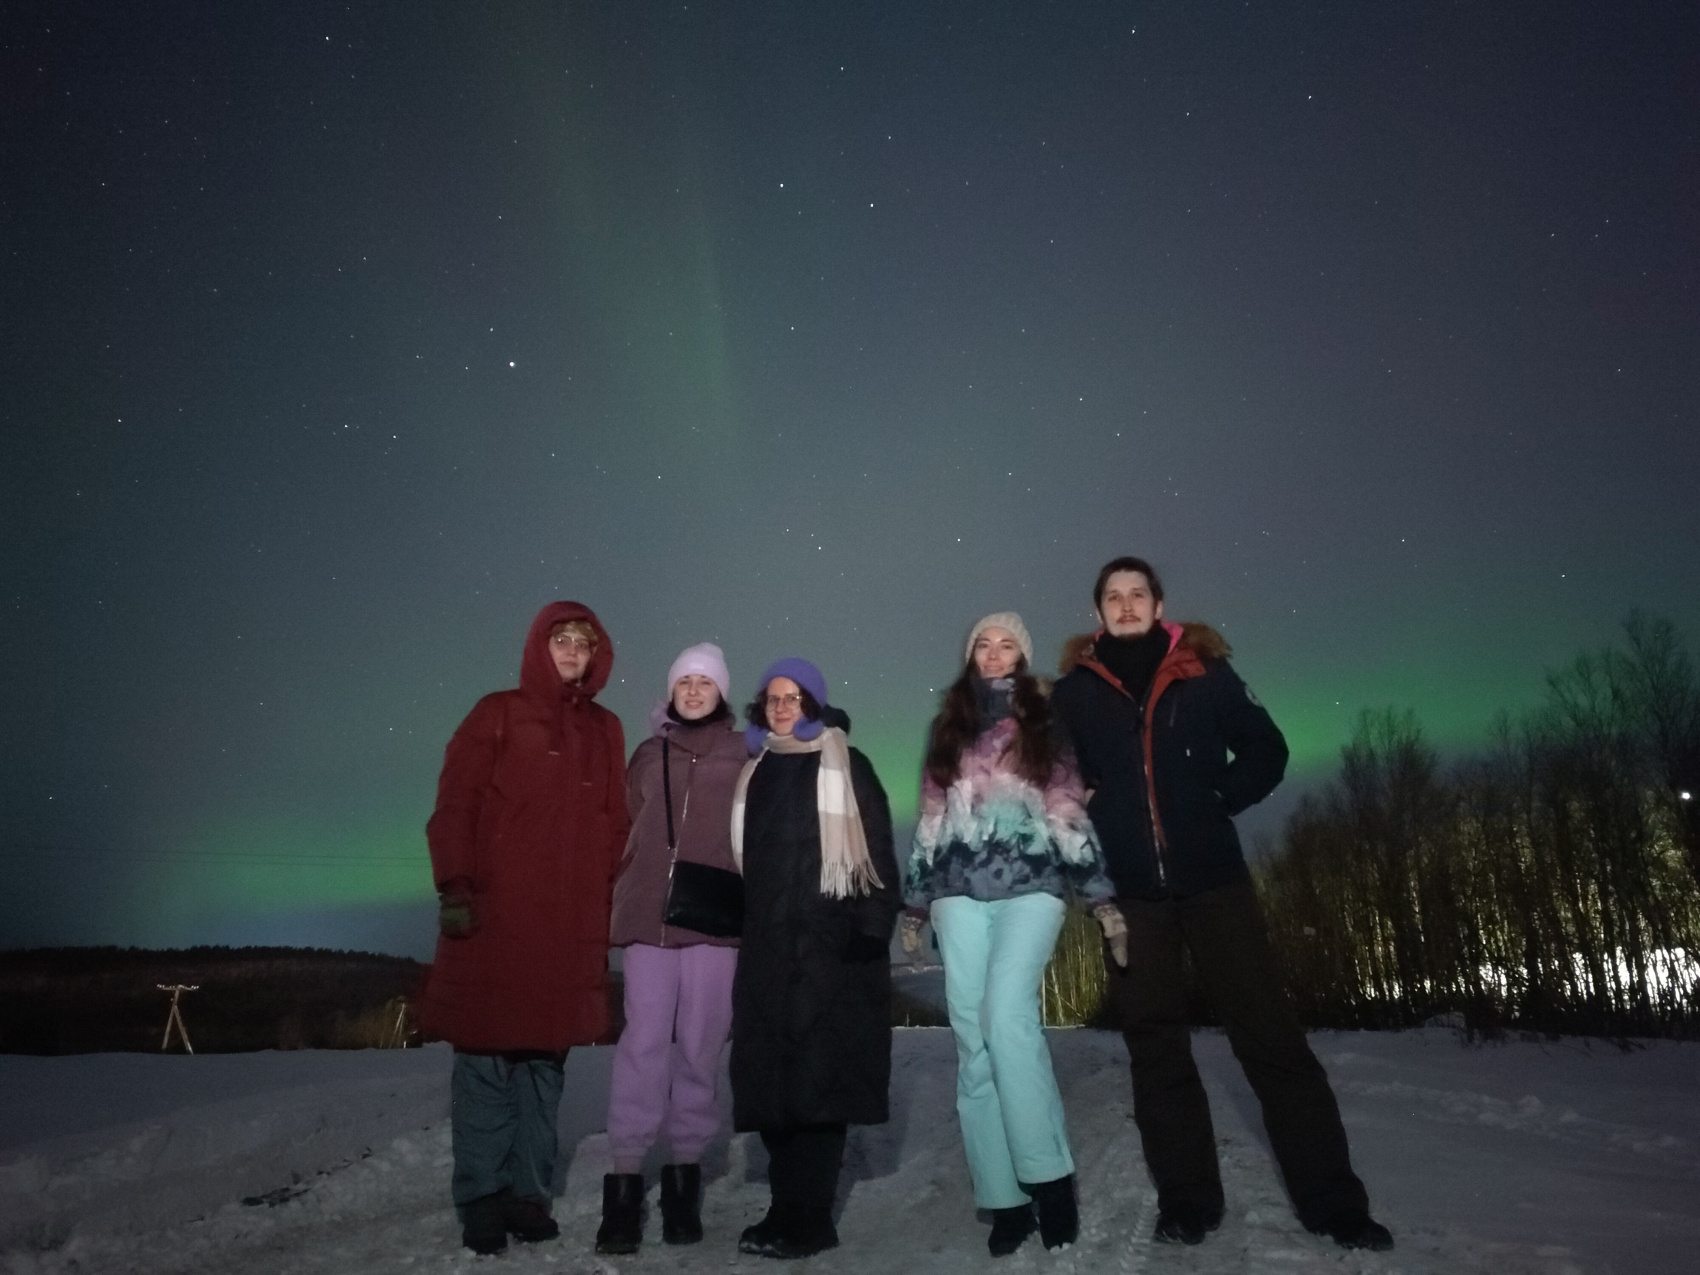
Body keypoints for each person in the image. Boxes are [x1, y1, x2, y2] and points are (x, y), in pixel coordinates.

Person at [1050, 558, 1392, 1252]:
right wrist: (1078, 800)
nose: (1125, 605)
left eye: (1136, 593)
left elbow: (1267, 749)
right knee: (1158, 1051)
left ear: (1159, 603)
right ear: (1098, 613)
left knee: (1271, 1040)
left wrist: (1219, 800)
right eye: (1112, 597)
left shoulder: (1204, 670)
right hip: (1133, 894)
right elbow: (1055, 777)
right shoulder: (1075, 693)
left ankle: (1334, 1203)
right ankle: (1188, 1201)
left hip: (1215, 882)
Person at [903, 612, 1128, 1256]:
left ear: (1022, 658)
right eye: (984, 643)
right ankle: (1003, 1196)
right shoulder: (947, 728)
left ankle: (1049, 1179)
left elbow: (1067, 812)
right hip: (957, 898)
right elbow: (930, 820)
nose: (995, 654)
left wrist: (1102, 900)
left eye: (1008, 645)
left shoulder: (1044, 724)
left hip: (1031, 892)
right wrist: (914, 907)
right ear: (970, 653)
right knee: (974, 1042)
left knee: (1007, 1019)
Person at [418, 602, 629, 1256]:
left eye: (582, 643)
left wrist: (609, 902)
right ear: (540, 646)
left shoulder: (605, 728)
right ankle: (480, 1193)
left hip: (567, 927)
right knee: (486, 1059)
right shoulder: (497, 713)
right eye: (560, 640)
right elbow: (456, 800)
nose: (571, 651)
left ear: (597, 655)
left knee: (545, 1063)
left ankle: (527, 1191)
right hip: (498, 916)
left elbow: (616, 822)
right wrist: (456, 882)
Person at [729, 658, 901, 1260]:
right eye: (774, 698)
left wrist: (873, 926)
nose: (782, 706)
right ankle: (785, 1207)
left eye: (794, 697)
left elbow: (876, 845)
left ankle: (811, 1218)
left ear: (815, 705)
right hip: (769, 948)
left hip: (833, 947)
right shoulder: (755, 771)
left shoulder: (847, 765)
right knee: (774, 1087)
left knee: (819, 1085)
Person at [597, 643, 748, 1254]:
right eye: (683, 681)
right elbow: (630, 818)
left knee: (701, 1045)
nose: (692, 690)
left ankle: (683, 1182)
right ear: (672, 690)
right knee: (643, 1043)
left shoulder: (744, 752)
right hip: (646, 916)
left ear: (720, 692)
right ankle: (625, 1185)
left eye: (704, 682)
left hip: (713, 917)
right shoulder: (646, 754)